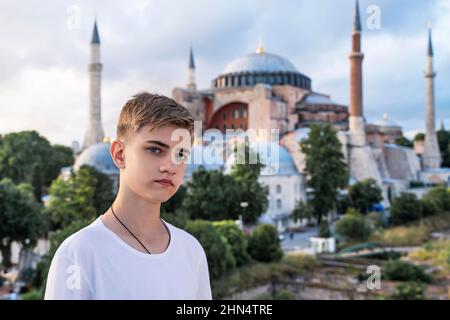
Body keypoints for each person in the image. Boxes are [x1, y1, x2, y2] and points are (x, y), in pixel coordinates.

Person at [45, 92, 212, 300]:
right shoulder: (79, 253)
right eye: (155, 149)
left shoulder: (191, 251)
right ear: (119, 154)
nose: (170, 166)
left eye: (180, 154)